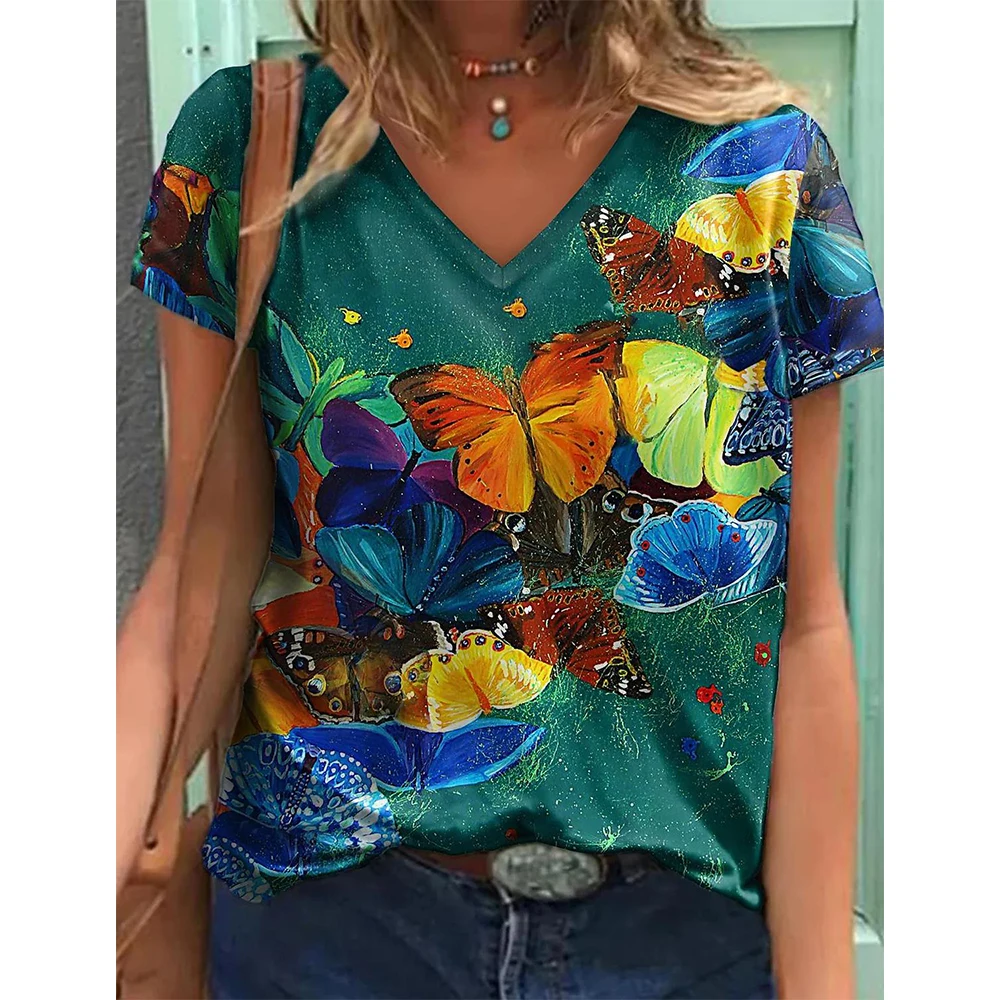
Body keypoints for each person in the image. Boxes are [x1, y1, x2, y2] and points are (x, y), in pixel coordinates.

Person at [118, 1, 883, 997]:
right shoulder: (252, 146)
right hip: (331, 935)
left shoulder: (762, 172)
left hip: (677, 945)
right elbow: (196, 567)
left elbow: (808, 623)